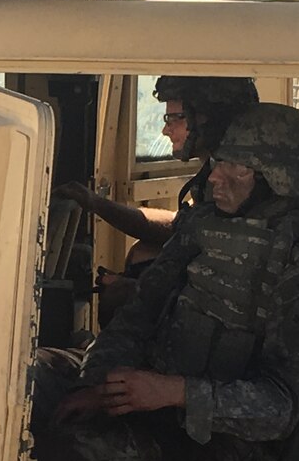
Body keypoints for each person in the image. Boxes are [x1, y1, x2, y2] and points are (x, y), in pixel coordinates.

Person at [19, 103, 299, 461]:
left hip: (217, 437)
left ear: (280, 177)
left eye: (235, 167)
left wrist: (174, 392)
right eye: (217, 162)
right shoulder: (205, 225)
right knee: (22, 380)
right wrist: (99, 386)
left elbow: (280, 409)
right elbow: (138, 315)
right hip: (147, 386)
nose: (215, 177)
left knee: (71, 452)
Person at [55, 76, 259, 326]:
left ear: (210, 118)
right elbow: (180, 228)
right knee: (142, 254)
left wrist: (133, 289)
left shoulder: (243, 186)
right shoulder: (216, 175)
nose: (166, 129)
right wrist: (96, 203)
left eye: (176, 118)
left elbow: (228, 292)